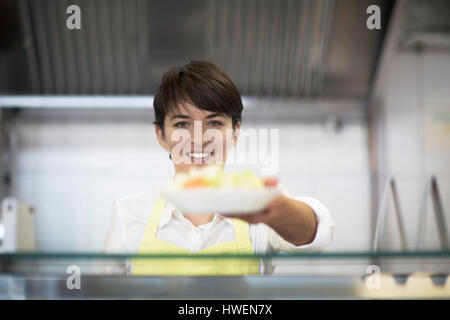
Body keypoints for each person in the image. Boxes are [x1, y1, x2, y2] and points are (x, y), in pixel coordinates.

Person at [102, 60, 334, 275]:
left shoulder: (257, 202)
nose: (200, 138)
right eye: (182, 123)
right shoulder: (129, 213)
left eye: (214, 123)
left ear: (235, 133)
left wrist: (273, 209)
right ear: (161, 135)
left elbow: (317, 235)